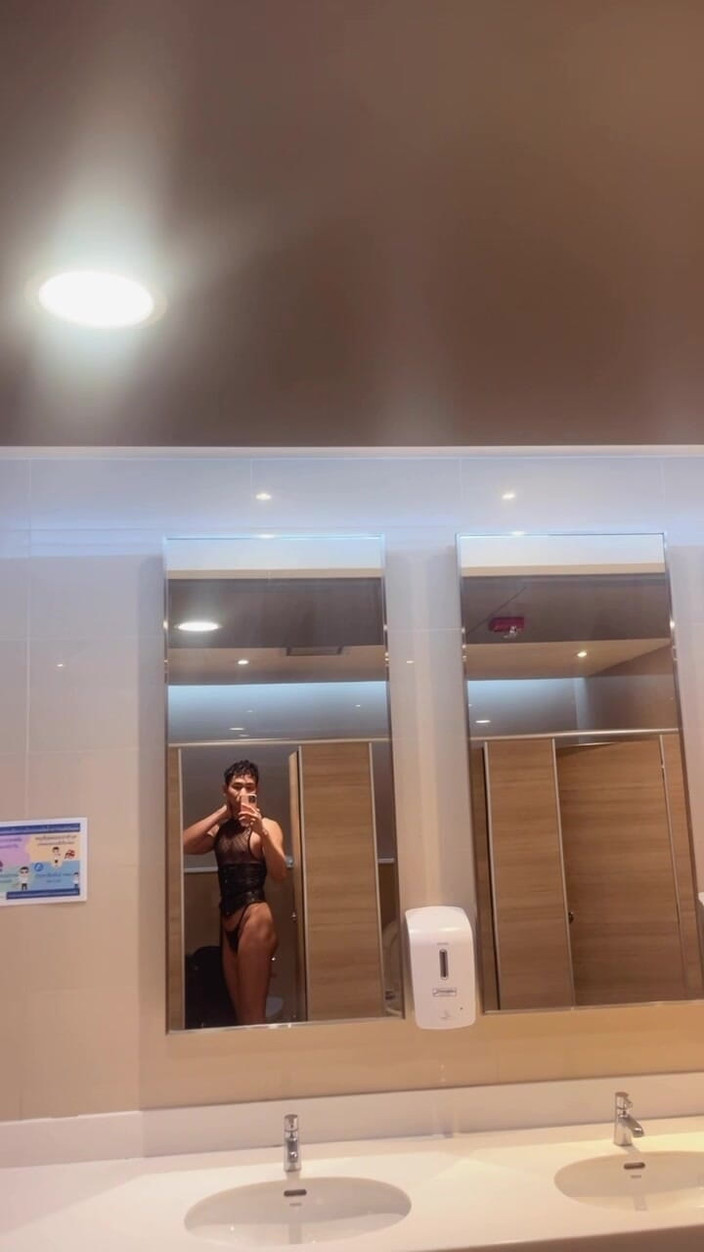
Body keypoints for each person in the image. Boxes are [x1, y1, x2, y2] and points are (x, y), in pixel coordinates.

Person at [182, 759, 286, 1026]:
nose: (242, 792)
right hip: (227, 921)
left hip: (255, 918)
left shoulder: (269, 826)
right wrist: (222, 813)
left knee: (253, 1015)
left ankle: (264, 1055)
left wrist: (262, 832)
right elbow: (183, 844)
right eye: (236, 786)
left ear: (257, 790)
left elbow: (280, 874)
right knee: (239, 1016)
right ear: (225, 790)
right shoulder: (220, 830)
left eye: (249, 787)